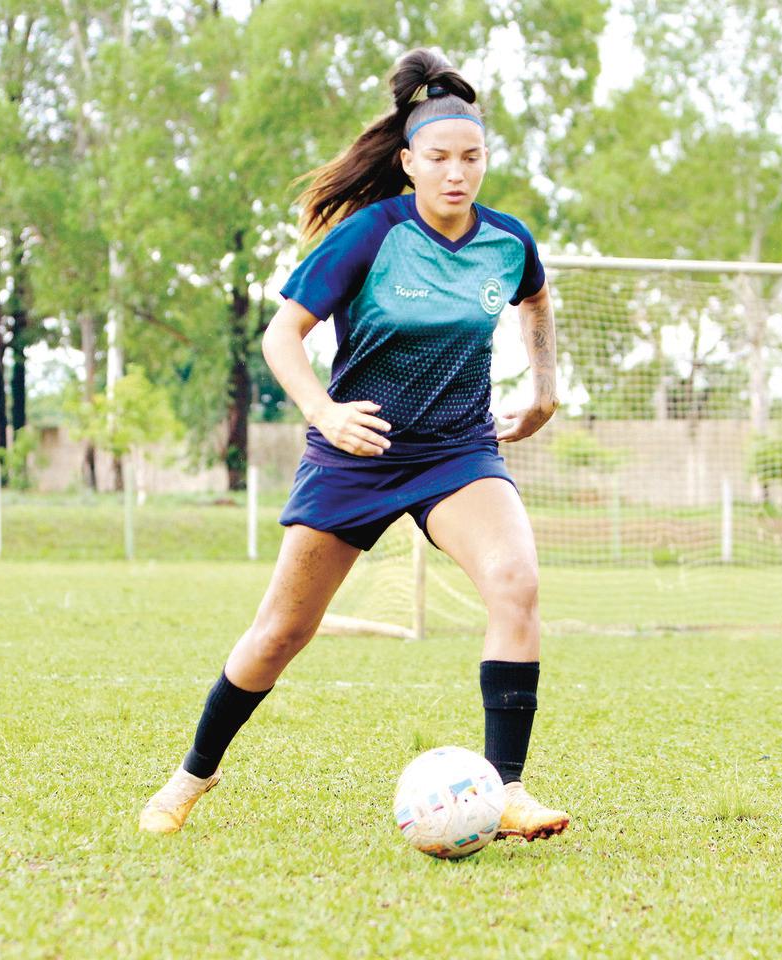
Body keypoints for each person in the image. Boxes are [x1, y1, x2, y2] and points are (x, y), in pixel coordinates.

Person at [140, 48, 568, 842]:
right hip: (355, 456)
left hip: (457, 453)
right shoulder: (372, 235)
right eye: (438, 158)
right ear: (407, 162)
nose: (456, 173)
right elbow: (282, 337)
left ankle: (506, 790)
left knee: (515, 581)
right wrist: (323, 413)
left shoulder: (507, 242)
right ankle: (191, 775)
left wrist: (543, 387)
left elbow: (536, 299)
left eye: (471, 158)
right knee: (280, 634)